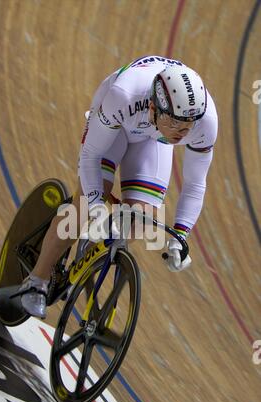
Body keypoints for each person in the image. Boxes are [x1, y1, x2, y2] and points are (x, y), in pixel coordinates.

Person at [18, 55, 218, 319]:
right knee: (82, 209)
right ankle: (36, 280)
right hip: (117, 124)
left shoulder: (204, 122)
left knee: (140, 221)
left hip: (153, 140)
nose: (181, 133)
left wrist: (180, 235)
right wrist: (97, 205)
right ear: (153, 107)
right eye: (174, 123)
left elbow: (194, 184)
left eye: (187, 126)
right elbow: (90, 156)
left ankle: (93, 251)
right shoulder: (124, 95)